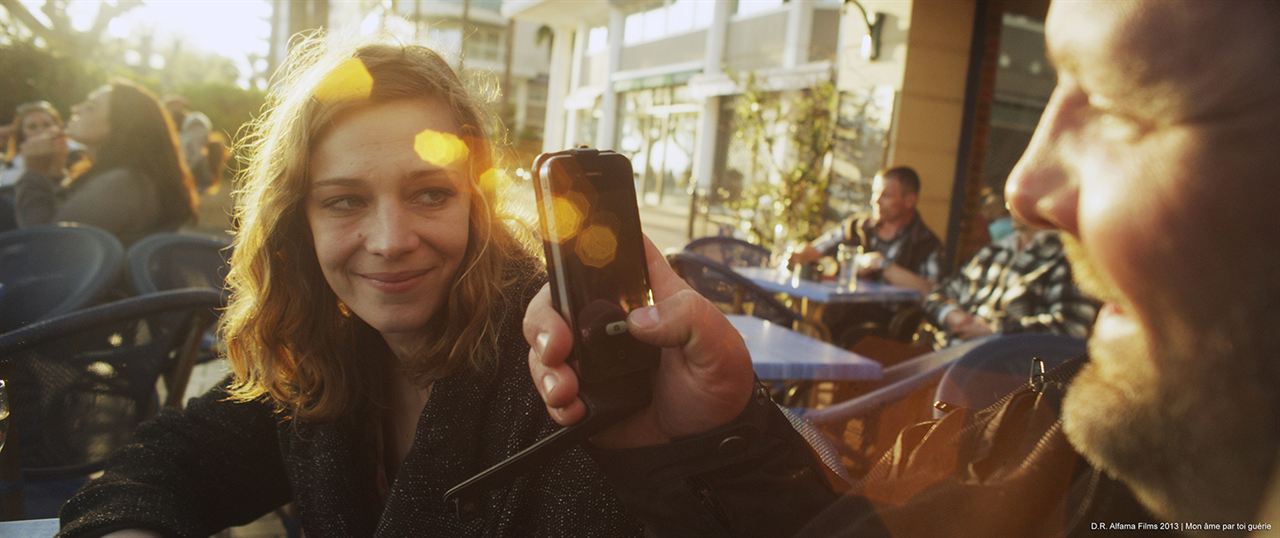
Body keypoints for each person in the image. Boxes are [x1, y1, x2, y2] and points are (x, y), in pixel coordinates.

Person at [525, 0, 1280, 535]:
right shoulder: (1054, 454)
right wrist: (712, 435)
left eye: (1121, 101)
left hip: (933, 352)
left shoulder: (1051, 430)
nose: (1025, 187)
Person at [55, 39, 641, 537]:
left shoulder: (559, 367)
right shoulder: (325, 350)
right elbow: (166, 462)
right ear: (297, 224)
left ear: (476, 203)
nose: (389, 240)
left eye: (431, 193)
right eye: (344, 201)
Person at [12, 82, 198, 245]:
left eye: (90, 107)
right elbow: (64, 215)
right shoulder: (124, 177)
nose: (76, 108)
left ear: (121, 125)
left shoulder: (122, 184)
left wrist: (35, 172)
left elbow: (44, 245)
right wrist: (55, 172)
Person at [920, 223, 1098, 348]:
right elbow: (936, 294)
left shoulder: (1067, 260)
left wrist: (996, 331)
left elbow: (1072, 329)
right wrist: (951, 314)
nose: (1013, 204)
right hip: (944, 356)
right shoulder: (992, 253)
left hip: (1001, 376)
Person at [790, 166, 943, 294]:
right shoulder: (857, 227)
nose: (875, 201)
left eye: (886, 195)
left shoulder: (927, 244)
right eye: (875, 193)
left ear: (909, 201)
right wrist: (797, 254)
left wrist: (880, 264)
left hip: (886, 326)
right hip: (838, 315)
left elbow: (934, 293)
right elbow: (814, 250)